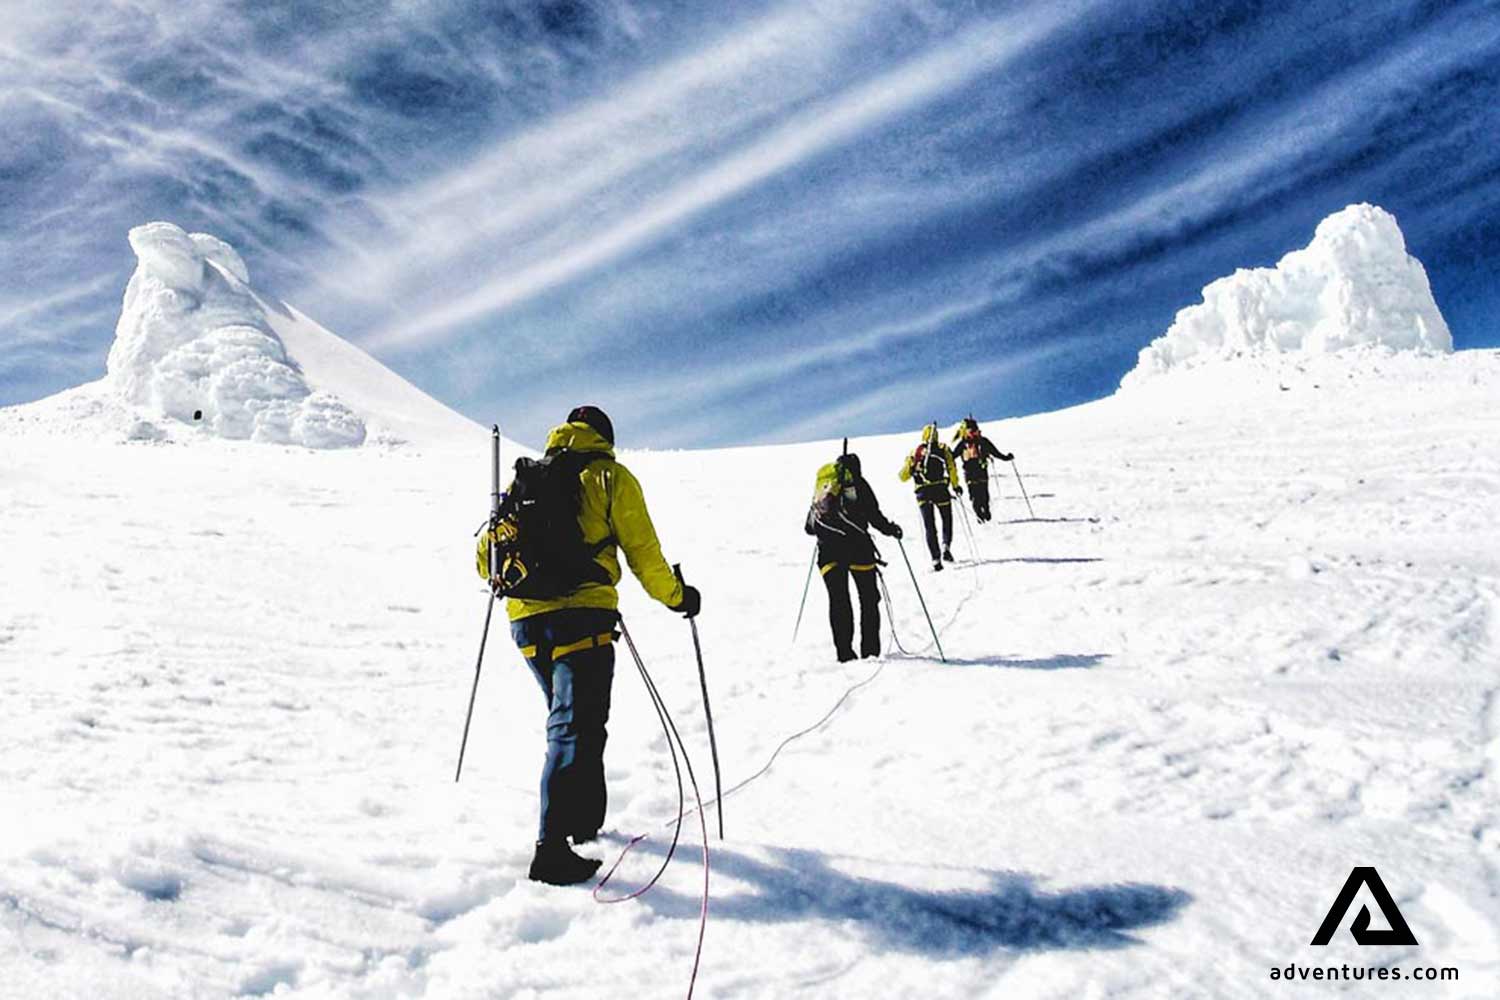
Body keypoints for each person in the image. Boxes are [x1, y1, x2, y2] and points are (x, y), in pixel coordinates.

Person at [495, 405, 701, 886]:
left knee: (574, 720)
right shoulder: (610, 477)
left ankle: (583, 823)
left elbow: (490, 551)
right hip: (582, 616)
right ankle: (551, 849)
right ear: (604, 436)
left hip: (526, 620)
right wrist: (678, 597)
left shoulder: (525, 480)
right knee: (571, 726)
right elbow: (644, 554)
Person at [804, 452, 902, 662]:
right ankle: (870, 652)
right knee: (868, 599)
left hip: (828, 551)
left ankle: (844, 654)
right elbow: (874, 516)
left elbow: (809, 528)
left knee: (838, 600)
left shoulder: (824, 487)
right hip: (859, 549)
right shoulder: (859, 484)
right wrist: (892, 529)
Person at [898, 423, 960, 571]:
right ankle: (946, 546)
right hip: (940, 489)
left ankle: (935, 559)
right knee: (946, 519)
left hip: (922, 492)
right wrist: (955, 485)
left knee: (929, 526)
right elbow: (951, 467)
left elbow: (903, 476)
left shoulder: (916, 452)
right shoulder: (943, 449)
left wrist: (912, 468)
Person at [950, 416, 1013, 523]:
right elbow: (952, 456)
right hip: (970, 472)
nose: (974, 433)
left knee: (984, 494)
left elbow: (995, 452)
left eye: (975, 431)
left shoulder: (983, 441)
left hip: (981, 471)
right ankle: (979, 515)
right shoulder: (962, 444)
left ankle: (986, 510)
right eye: (972, 431)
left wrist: (1006, 458)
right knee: (974, 496)